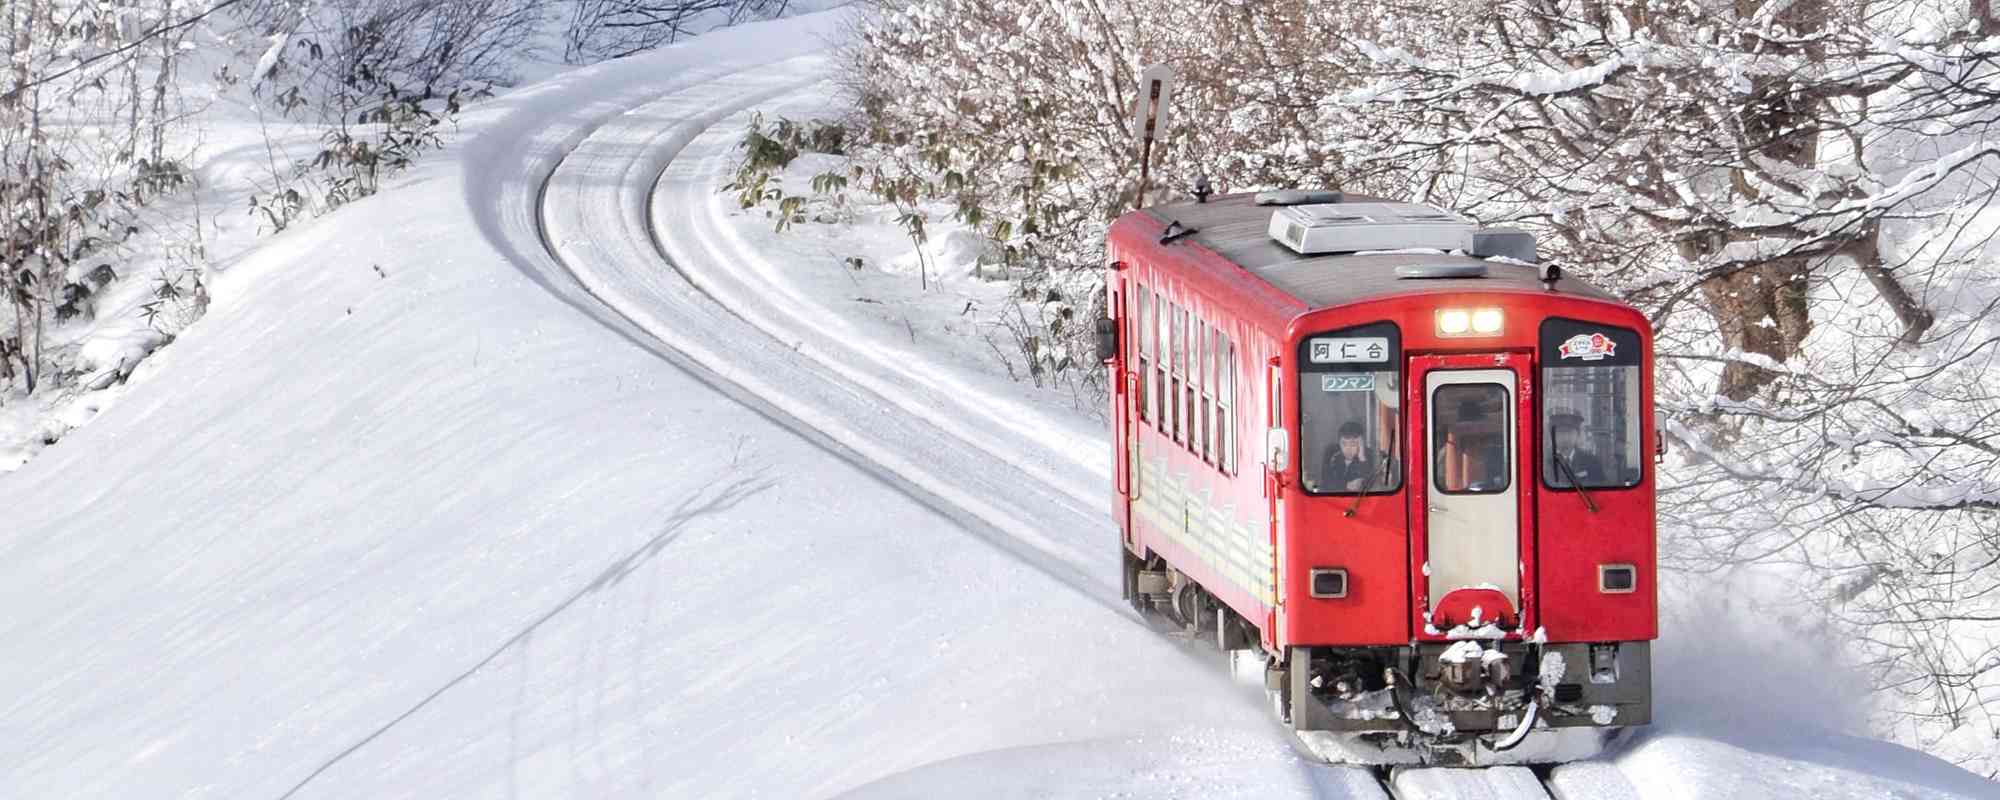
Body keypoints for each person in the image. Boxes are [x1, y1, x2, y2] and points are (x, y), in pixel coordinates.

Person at [1321, 421, 1382, 491]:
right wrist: (1346, 485)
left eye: (1353, 444)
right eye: (1344, 444)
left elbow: (1370, 485)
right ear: (1339, 442)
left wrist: (1362, 457)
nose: (1348, 449)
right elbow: (1325, 483)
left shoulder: (1369, 454)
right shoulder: (1331, 452)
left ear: (1361, 443)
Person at [1549, 415, 1605, 485]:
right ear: (1553, 435)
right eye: (1561, 432)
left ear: (1577, 435)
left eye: (1570, 432)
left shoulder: (1591, 461)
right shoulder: (1545, 462)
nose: (1565, 438)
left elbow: (1600, 487)